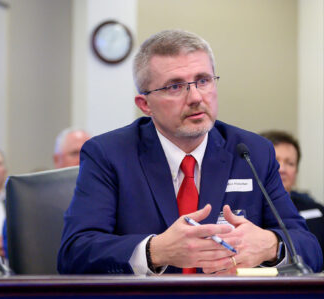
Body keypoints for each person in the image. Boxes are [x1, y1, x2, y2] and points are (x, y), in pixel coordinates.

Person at [58, 29, 322, 275]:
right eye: (175, 86)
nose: (196, 97)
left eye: (203, 80)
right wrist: (156, 251)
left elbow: (309, 248)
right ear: (145, 104)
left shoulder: (251, 152)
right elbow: (75, 253)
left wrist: (271, 245)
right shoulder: (109, 155)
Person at [260, 130, 324, 260]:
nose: (282, 169)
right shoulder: (247, 209)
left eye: (290, 163)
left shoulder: (317, 211)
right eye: (275, 161)